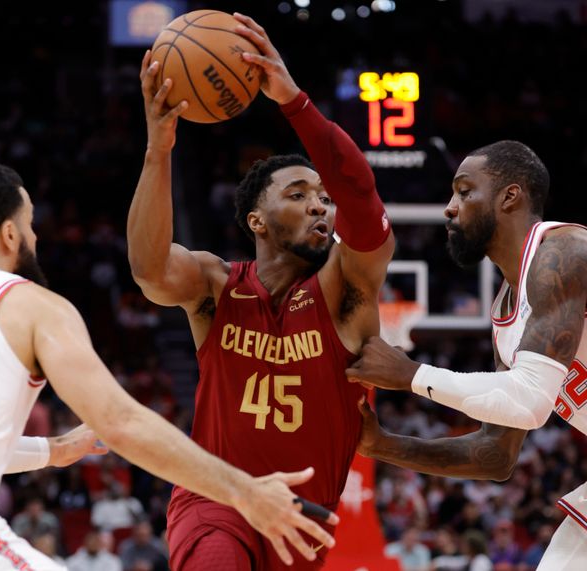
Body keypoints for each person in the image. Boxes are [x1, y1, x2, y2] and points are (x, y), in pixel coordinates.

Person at [0, 162, 335, 570]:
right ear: (9, 235)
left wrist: (53, 451)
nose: (34, 237)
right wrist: (245, 491)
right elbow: (121, 422)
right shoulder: (31, 302)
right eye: (29, 224)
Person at [128, 12, 394, 570]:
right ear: (257, 221)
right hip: (215, 502)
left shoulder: (346, 290)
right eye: (298, 194)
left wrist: (293, 99)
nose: (320, 205)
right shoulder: (215, 285)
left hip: (304, 525)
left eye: (322, 196)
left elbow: (364, 205)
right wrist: (158, 150)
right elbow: (150, 269)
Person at [348, 140, 587, 569]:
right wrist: (382, 444)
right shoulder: (507, 322)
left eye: (464, 191)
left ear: (509, 196)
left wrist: (411, 375)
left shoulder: (563, 253)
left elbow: (531, 402)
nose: (449, 208)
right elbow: (495, 455)